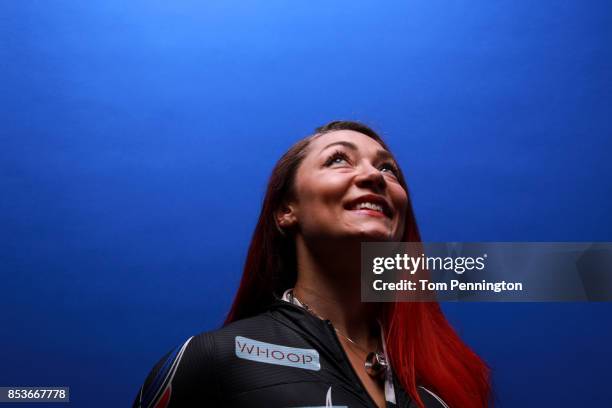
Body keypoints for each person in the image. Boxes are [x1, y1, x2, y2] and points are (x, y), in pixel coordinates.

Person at [132, 121, 491, 408]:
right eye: (338, 159)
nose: (374, 176)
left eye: (388, 168)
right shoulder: (216, 358)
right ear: (286, 211)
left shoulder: (449, 373)